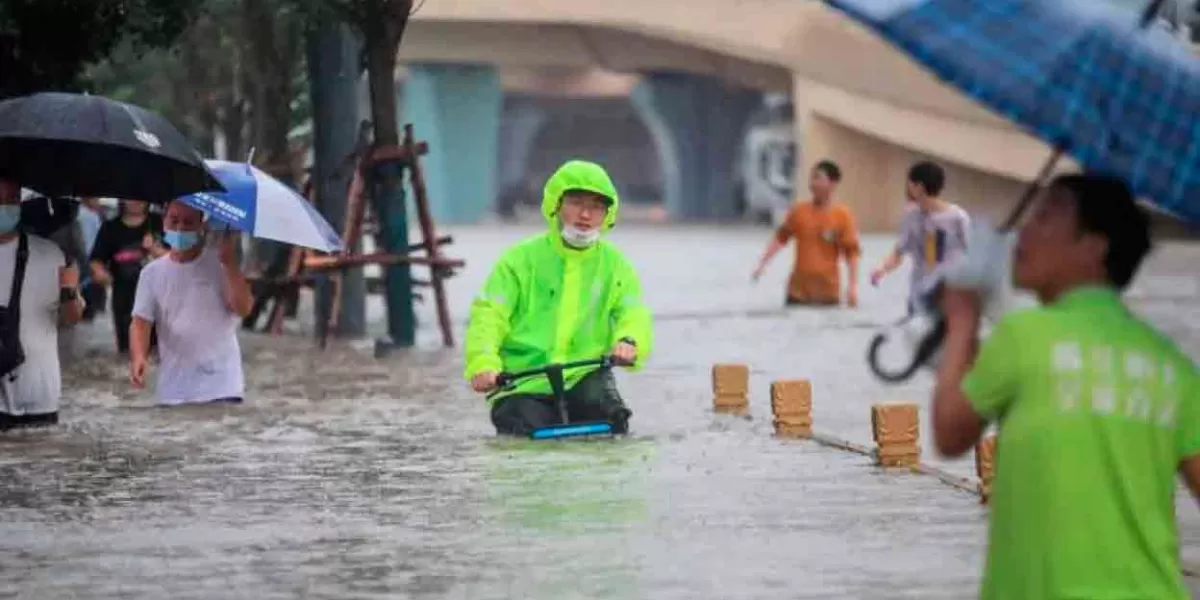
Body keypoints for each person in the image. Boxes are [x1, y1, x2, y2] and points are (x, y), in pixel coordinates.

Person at [930, 174, 1199, 600]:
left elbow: (949, 432)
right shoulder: (1173, 368)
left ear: (1094, 246)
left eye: (1047, 217)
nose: (1024, 232)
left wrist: (962, 318)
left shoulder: (1024, 337)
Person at [464, 160, 653, 436]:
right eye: (576, 202)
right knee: (522, 434)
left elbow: (632, 312)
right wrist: (483, 365)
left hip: (585, 376)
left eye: (597, 206)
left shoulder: (616, 266)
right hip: (523, 381)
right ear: (556, 204)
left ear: (607, 215)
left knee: (614, 423)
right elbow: (489, 316)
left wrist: (629, 341)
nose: (586, 215)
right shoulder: (518, 261)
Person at [129, 201, 254, 406]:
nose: (180, 228)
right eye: (174, 221)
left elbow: (244, 308)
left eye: (188, 223)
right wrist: (139, 356)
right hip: (173, 390)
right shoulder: (151, 274)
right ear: (164, 222)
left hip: (222, 387)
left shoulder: (221, 264)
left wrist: (230, 265)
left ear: (202, 227)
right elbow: (140, 322)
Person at [0, 179, 86, 430]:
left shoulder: (52, 254)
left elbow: (72, 318)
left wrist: (69, 290)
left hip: (39, 395)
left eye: (12, 199)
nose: (5, 206)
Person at [751, 160, 861, 307]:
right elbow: (780, 239)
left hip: (828, 295)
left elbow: (851, 254)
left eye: (818, 178)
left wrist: (853, 287)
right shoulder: (798, 211)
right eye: (812, 178)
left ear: (833, 183)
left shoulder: (842, 216)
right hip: (797, 294)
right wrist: (762, 264)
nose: (813, 183)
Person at [870, 161, 971, 314]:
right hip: (918, 295)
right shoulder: (911, 217)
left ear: (918, 187)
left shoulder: (958, 218)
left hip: (948, 296)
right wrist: (882, 269)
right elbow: (899, 252)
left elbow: (972, 256)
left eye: (909, 183)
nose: (907, 188)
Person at [90, 199, 166, 354]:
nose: (135, 202)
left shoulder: (159, 223)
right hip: (123, 298)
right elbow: (96, 260)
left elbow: (177, 257)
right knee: (129, 350)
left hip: (158, 297)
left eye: (140, 197)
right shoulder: (110, 227)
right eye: (130, 197)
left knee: (159, 349)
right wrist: (101, 274)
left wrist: (155, 250)